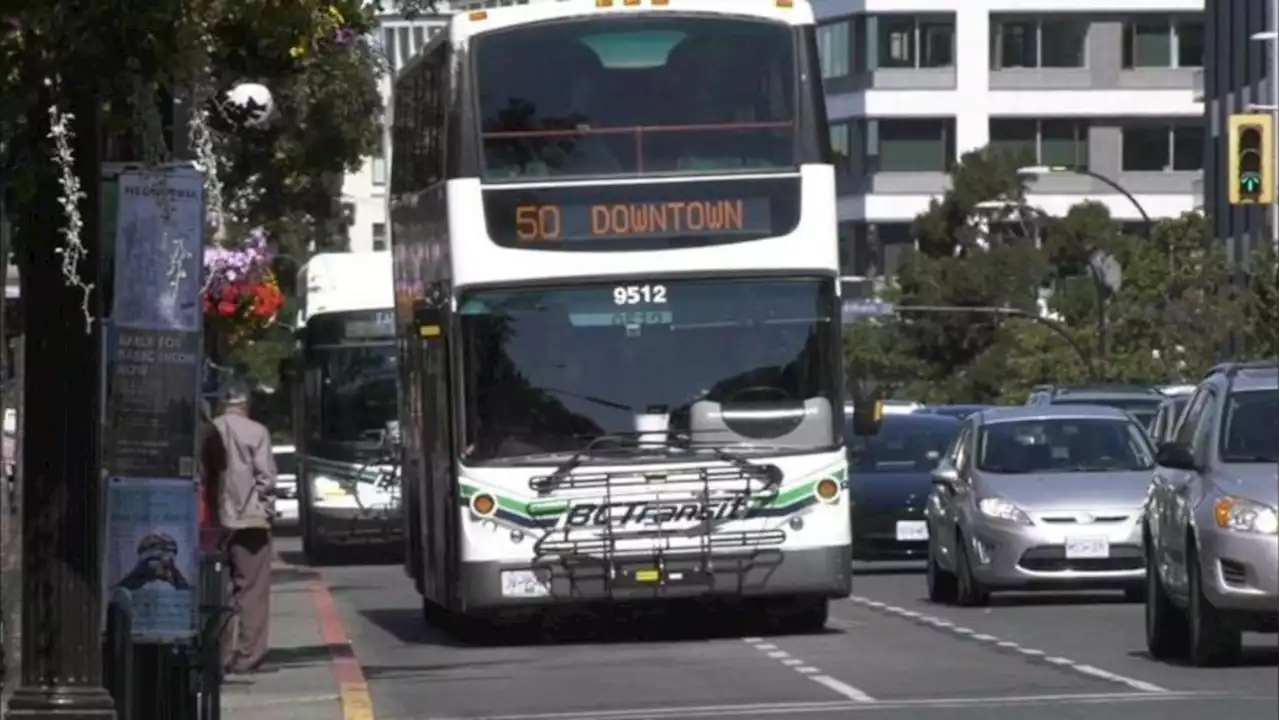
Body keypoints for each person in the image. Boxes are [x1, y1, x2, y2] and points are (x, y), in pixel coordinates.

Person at [212, 380, 277, 676]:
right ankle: (248, 655)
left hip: (213, 522)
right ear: (246, 403)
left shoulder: (207, 431)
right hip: (250, 520)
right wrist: (266, 510)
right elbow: (265, 478)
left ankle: (220, 653)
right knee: (251, 590)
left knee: (219, 590)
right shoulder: (256, 432)